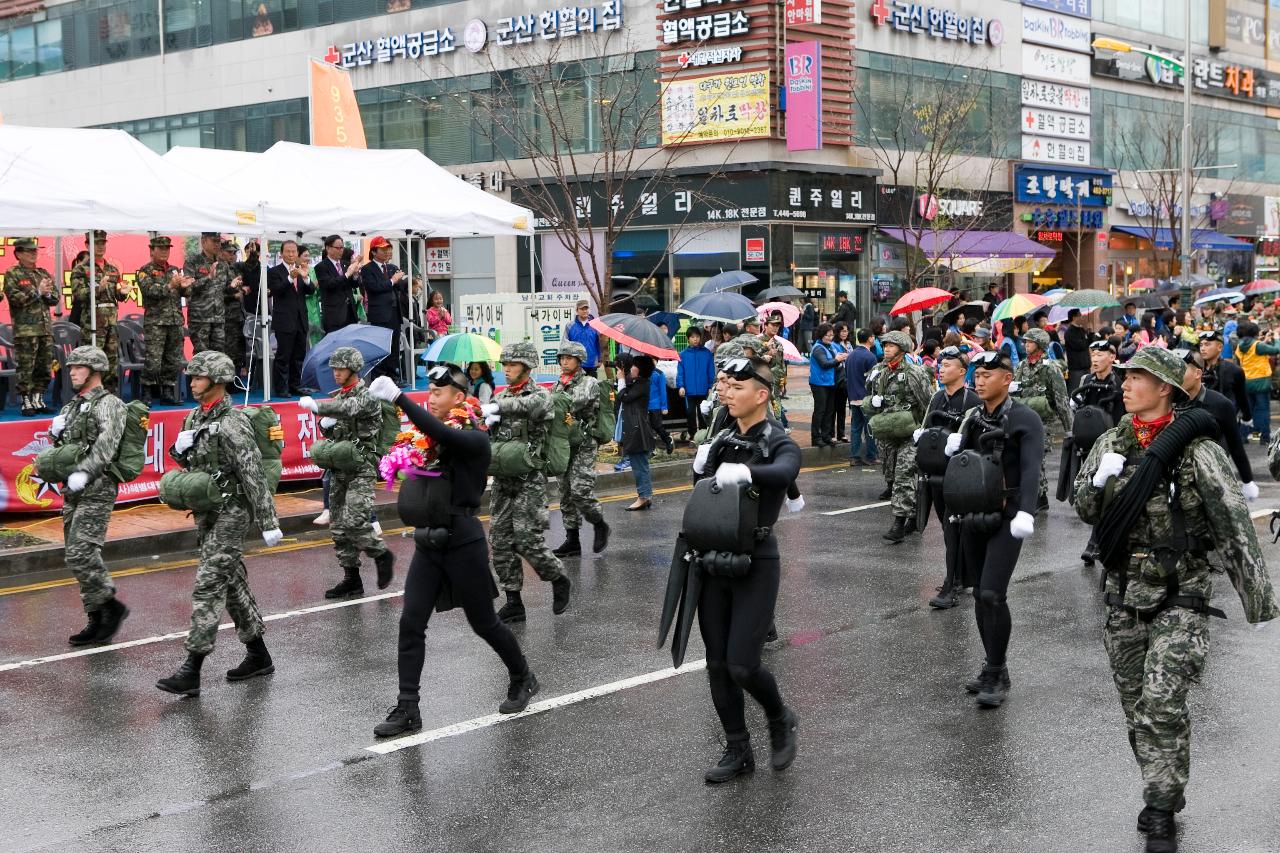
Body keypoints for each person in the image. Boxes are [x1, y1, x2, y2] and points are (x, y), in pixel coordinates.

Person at [1074, 346, 1277, 853]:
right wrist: (1100, 480)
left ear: (1165, 388)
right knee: (1135, 706)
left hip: (1180, 592)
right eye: (1123, 376)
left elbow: (1234, 526)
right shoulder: (1111, 441)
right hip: (1122, 595)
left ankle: (1161, 803)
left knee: (1163, 701)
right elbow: (1083, 509)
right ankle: (1158, 782)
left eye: (1137, 377)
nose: (1125, 384)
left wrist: (1258, 603)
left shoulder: (1197, 450)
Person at [366, 368, 540, 738]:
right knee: (411, 623)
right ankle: (408, 706)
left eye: (440, 392)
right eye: (428, 390)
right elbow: (414, 440)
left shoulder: (474, 440)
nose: (432, 396)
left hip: (463, 542)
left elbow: (442, 432)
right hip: (428, 543)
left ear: (460, 398)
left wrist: (399, 397)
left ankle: (522, 675)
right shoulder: (419, 438)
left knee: (484, 623)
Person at [674, 355, 801, 783]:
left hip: (756, 560)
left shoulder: (779, 441)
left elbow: (785, 472)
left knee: (743, 664)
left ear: (761, 395)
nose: (726, 392)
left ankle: (780, 717)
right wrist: (702, 465)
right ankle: (737, 748)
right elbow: (703, 495)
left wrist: (748, 471)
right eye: (724, 385)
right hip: (712, 561)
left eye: (737, 386)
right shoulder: (721, 439)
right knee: (716, 663)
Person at [156, 351, 284, 697]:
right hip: (207, 509)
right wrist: (178, 449)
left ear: (216, 381)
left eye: (198, 377)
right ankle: (258, 654)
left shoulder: (233, 422)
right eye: (192, 376)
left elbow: (253, 472)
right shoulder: (194, 417)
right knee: (230, 582)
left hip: (234, 510)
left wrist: (268, 520)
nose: (192, 381)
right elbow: (188, 460)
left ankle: (191, 668)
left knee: (209, 581)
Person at [946, 349, 1043, 708]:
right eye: (978, 374)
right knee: (977, 593)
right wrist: (952, 448)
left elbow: (1032, 468)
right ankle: (991, 667)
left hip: (1009, 516)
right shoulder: (973, 417)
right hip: (975, 514)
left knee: (992, 594)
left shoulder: (1025, 418)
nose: (981, 379)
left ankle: (998, 670)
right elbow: (966, 467)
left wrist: (1027, 512)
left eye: (989, 374)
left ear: (1007, 378)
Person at [480, 341, 571, 623]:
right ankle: (514, 601)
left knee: (527, 539)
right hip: (503, 480)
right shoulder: (502, 395)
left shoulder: (540, 396)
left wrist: (494, 406)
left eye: (513, 365)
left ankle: (557, 576)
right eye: (504, 364)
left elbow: (526, 406)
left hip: (529, 480)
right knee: (500, 540)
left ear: (527, 367)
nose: (506, 369)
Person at [46, 346, 130, 645]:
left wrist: (87, 470)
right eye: (70, 368)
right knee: (78, 556)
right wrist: (53, 432)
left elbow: (107, 444)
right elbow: (64, 447)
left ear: (94, 371)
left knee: (80, 552)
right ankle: (95, 618)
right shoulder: (72, 406)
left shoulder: (109, 404)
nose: (71, 373)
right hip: (73, 490)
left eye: (77, 368)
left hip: (97, 488)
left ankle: (111, 607)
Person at [298, 347, 396, 599]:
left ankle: (381, 554)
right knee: (339, 527)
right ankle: (351, 579)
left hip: (361, 468)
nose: (336, 373)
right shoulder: (339, 397)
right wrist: (326, 426)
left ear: (354, 370)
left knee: (355, 521)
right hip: (340, 467)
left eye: (340, 369)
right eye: (334, 369)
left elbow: (349, 408)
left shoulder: (366, 397)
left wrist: (319, 408)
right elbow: (338, 429)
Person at [917, 346, 980, 609]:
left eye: (947, 366)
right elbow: (925, 425)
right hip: (935, 472)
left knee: (954, 525)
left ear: (963, 372)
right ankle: (959, 576)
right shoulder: (936, 398)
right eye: (940, 366)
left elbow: (975, 436)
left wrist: (961, 441)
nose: (941, 369)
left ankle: (950, 585)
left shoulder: (972, 400)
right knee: (947, 528)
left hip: (959, 474)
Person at [863, 330, 933, 541]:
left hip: (909, 433)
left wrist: (924, 429)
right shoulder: (878, 370)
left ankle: (899, 524)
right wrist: (873, 401)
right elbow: (868, 396)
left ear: (902, 350)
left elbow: (927, 402)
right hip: (887, 431)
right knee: (892, 476)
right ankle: (913, 516)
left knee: (904, 475)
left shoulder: (913, 372)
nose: (886, 349)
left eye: (891, 346)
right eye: (884, 345)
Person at [545, 341, 612, 557]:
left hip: (584, 443)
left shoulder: (589, 383)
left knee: (580, 490)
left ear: (579, 360)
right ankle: (572, 540)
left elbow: (572, 403)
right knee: (565, 491)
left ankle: (599, 523)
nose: (564, 361)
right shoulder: (558, 385)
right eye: (562, 358)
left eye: (569, 358)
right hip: (564, 443)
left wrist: (547, 401)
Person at [1069, 339, 1125, 566]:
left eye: (1101, 355)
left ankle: (1094, 543)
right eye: (1093, 355)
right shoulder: (1085, 380)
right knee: (1088, 491)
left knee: (1107, 494)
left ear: (1112, 358)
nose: (1096, 359)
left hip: (1110, 445)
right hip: (1087, 444)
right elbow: (1076, 405)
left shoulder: (1119, 382)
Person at [1177, 349, 1255, 491]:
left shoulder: (1220, 404)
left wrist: (1247, 480)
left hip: (1210, 481)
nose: (1176, 375)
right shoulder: (1164, 400)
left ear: (1197, 373)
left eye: (1182, 369)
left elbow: (1235, 445)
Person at [1014, 327, 1072, 512]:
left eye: (1029, 342)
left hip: (1043, 421)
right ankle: (1033, 495)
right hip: (1024, 419)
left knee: (1036, 459)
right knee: (1022, 458)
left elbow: (1061, 399)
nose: (1025, 344)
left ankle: (1040, 497)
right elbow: (1014, 390)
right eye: (1025, 341)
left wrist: (1069, 429)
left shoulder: (1050, 368)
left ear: (1039, 345)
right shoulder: (1022, 366)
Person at [3, 238, 59, 416]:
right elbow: (15, 298)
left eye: (35, 250)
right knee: (26, 367)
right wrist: (38, 292)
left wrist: (47, 293)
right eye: (29, 251)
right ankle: (26, 401)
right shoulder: (13, 273)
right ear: (18, 253)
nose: (34, 253)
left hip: (45, 328)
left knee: (44, 366)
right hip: (26, 329)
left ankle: (38, 399)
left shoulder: (42, 273)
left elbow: (55, 298)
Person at [68, 231, 128, 393]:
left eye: (103, 243)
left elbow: (117, 295)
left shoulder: (112, 269)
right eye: (96, 243)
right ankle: (92, 392)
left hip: (112, 322)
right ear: (87, 245)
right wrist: (96, 289)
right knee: (93, 359)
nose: (101, 246)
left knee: (111, 359)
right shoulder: (81, 269)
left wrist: (123, 293)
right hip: (93, 322)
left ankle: (110, 393)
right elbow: (78, 294)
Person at [136, 236, 192, 405]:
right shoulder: (145, 270)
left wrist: (185, 287)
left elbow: (185, 294)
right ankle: (146, 391)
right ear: (151, 250)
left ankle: (167, 391)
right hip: (156, 323)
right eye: (160, 248)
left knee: (173, 359)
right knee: (153, 360)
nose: (164, 251)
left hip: (175, 321)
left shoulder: (174, 270)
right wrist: (170, 286)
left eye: (167, 248)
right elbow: (150, 291)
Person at [267, 240, 314, 397]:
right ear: (281, 254)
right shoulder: (274, 271)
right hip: (284, 320)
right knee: (283, 356)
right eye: (288, 251)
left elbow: (311, 291)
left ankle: (295, 385)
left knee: (299, 356)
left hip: (300, 319)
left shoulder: (301, 270)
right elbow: (276, 290)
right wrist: (289, 278)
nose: (291, 254)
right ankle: (281, 388)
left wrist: (306, 277)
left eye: (294, 251)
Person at [362, 236, 406, 383]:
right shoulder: (368, 269)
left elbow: (401, 288)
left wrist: (401, 280)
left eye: (389, 249)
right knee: (380, 346)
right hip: (379, 314)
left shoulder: (392, 267)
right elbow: (374, 288)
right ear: (374, 252)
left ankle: (393, 376)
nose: (387, 252)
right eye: (383, 249)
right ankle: (379, 378)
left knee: (394, 346)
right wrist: (393, 280)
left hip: (394, 312)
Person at [186, 232, 237, 355]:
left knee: (218, 356)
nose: (217, 244)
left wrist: (233, 286)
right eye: (213, 241)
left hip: (218, 318)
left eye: (218, 241)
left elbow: (225, 290)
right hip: (200, 318)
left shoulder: (223, 264)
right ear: (203, 241)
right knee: (202, 356)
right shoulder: (193, 262)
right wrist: (208, 277)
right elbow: (188, 288)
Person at [1229, 321, 1280, 444]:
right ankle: (1264, 438)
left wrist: (1264, 340)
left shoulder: (1239, 346)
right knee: (1262, 410)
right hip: (1261, 382)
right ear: (1255, 333)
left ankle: (1244, 436)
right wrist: (1277, 339)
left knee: (1248, 410)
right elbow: (1276, 350)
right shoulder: (1258, 346)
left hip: (1246, 382)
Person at [619, 353, 656, 510]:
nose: (632, 368)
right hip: (636, 429)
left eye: (635, 365)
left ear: (640, 370)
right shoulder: (638, 383)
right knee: (639, 464)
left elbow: (624, 397)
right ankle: (645, 495)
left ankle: (644, 496)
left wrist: (620, 379)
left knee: (639, 465)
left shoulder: (642, 384)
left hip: (638, 431)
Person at [1198, 329, 1250, 424]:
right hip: (1200, 421)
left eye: (1207, 344)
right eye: (1201, 345)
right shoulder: (1196, 370)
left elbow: (1242, 398)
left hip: (1225, 423)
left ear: (1220, 347)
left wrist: (1246, 417)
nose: (1202, 348)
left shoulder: (1234, 370)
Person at [845, 328, 879, 467]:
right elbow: (874, 379)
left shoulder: (851, 355)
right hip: (866, 397)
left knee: (855, 428)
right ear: (870, 338)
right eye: (874, 338)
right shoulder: (870, 357)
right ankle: (871, 456)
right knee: (870, 429)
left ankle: (854, 456)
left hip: (853, 396)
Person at [808, 323, 845, 447]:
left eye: (831, 335)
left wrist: (839, 358)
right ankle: (816, 437)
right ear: (822, 335)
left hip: (830, 382)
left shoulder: (830, 347)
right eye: (828, 335)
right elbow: (824, 363)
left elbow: (832, 361)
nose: (830, 337)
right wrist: (837, 360)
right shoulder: (818, 348)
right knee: (820, 411)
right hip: (819, 383)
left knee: (829, 410)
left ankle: (826, 436)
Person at [677, 325, 715, 440]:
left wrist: (710, 386)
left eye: (697, 337)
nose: (695, 339)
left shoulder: (707, 353)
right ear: (687, 338)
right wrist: (681, 386)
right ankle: (692, 434)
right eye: (692, 337)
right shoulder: (682, 355)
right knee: (690, 413)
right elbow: (680, 372)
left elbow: (711, 372)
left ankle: (703, 434)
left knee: (702, 413)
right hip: (689, 390)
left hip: (704, 390)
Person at [316, 235, 359, 333]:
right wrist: (348, 274)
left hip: (350, 311)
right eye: (337, 248)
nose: (341, 250)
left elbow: (354, 285)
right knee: (336, 346)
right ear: (328, 248)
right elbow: (329, 285)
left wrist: (355, 275)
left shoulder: (345, 264)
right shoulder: (321, 266)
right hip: (334, 314)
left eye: (342, 247)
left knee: (350, 345)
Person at [565, 299, 601, 376]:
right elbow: (565, 344)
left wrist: (600, 359)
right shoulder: (570, 326)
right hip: (576, 364)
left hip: (592, 363)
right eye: (582, 309)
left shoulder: (595, 325)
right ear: (577, 310)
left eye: (586, 308)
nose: (585, 311)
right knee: (577, 387)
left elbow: (598, 343)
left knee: (592, 387)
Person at [1063, 308, 1096, 393]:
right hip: (1076, 368)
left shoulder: (1081, 329)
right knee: (1076, 391)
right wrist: (1086, 338)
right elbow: (1080, 345)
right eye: (1080, 315)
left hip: (1086, 366)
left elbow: (1090, 343)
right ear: (1074, 318)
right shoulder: (1069, 332)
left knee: (1086, 391)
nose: (1082, 317)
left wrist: (1090, 331)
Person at [831, 323, 853, 442]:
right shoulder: (834, 345)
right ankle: (831, 434)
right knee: (834, 408)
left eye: (846, 331)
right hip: (837, 378)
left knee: (842, 409)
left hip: (847, 378)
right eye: (842, 331)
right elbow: (835, 359)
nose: (844, 333)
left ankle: (841, 433)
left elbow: (851, 357)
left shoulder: (849, 344)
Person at [648, 355, 674, 454]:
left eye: (653, 360)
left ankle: (667, 439)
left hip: (656, 405)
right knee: (647, 428)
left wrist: (664, 406)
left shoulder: (659, 374)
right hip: (645, 405)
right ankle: (652, 449)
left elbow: (663, 392)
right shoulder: (643, 373)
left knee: (657, 426)